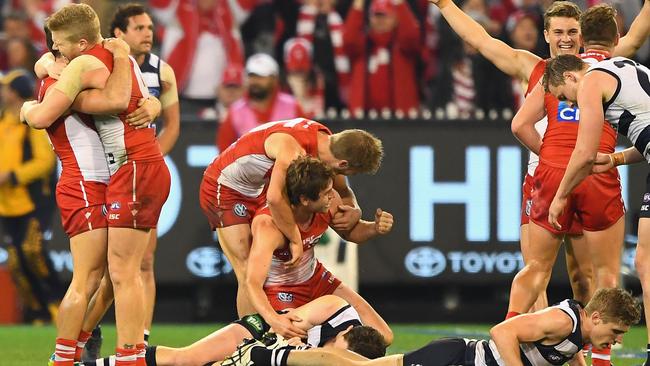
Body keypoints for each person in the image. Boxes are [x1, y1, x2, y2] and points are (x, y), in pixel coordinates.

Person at [429, 0, 650, 327]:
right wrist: (446, 5)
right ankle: (530, 345)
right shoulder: (533, 68)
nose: (565, 38)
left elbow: (635, 34)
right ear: (545, 34)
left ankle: (579, 348)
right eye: (558, 31)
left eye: (572, 31)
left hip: (585, 174)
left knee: (582, 274)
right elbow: (481, 41)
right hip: (549, 175)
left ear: (583, 35)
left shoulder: (601, 68)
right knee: (538, 267)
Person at [22, 4, 170, 366]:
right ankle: (70, 355)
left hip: (124, 171)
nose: (56, 54)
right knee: (99, 278)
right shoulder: (112, 59)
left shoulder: (84, 65)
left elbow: (114, 101)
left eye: (59, 47)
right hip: (87, 182)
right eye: (53, 48)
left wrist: (28, 109)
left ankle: (100, 352)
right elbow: (47, 106)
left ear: (80, 43)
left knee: (114, 274)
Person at [509, 5, 650, 363]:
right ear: (615, 39)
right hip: (597, 171)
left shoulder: (555, 72)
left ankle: (508, 332)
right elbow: (638, 34)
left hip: (553, 168)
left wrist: (551, 159)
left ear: (580, 38)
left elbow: (519, 125)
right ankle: (601, 359)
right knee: (606, 271)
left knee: (536, 267)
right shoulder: (621, 66)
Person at [74, 4, 182, 359]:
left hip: (133, 171)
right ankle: (94, 335)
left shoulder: (161, 71)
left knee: (135, 264)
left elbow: (172, 124)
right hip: (102, 172)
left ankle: (137, 339)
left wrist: (146, 159)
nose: (148, 33)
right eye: (138, 28)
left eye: (150, 27)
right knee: (106, 267)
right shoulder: (98, 62)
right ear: (118, 34)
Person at [200, 118, 382, 317]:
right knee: (246, 270)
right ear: (343, 163)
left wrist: (355, 208)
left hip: (258, 186)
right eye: (349, 172)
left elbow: (343, 190)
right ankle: (250, 341)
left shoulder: (327, 142)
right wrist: (295, 239)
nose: (341, 174)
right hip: (226, 187)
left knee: (262, 263)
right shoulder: (293, 151)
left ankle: (271, 329)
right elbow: (275, 198)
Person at [543, 52, 650, 366]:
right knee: (645, 259)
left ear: (571, 77)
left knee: (647, 261)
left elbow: (585, 152)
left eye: (564, 96)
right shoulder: (625, 67)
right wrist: (616, 159)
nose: (571, 105)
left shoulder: (590, 81)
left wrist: (560, 195)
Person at [235, 287, 641, 366]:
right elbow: (502, 332)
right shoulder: (561, 320)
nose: (617, 342)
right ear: (597, 317)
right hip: (456, 358)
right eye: (616, 332)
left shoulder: (577, 336)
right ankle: (271, 356)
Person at [245, 156, 393, 344]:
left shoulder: (327, 203)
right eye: (326, 193)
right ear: (305, 199)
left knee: (382, 337)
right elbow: (252, 283)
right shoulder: (268, 226)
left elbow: (351, 233)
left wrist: (374, 227)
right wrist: (274, 320)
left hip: (317, 280)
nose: (333, 196)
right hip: (282, 290)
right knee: (291, 343)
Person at [81, 295, 387, 366]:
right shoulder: (334, 308)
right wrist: (300, 348)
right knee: (186, 359)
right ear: (342, 335)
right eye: (334, 356)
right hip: (261, 331)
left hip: (274, 352)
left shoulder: (357, 353)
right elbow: (286, 324)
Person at [0, 68, 61, 324]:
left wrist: (12, 176)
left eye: (6, 87)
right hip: (7, 204)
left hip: (33, 201)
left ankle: (58, 305)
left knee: (33, 251)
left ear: (15, 92)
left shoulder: (32, 122)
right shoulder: (3, 121)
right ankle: (38, 312)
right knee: (15, 261)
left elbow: (45, 162)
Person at [216, 53, 304, 152]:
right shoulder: (235, 111)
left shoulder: (292, 107)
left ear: (274, 79)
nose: (255, 81)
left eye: (261, 77)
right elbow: (223, 151)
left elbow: (307, 143)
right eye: (252, 76)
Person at [343, 0, 420, 114]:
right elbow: (349, 39)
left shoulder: (402, 47)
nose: (381, 21)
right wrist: (358, 4)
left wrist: (399, 3)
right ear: (369, 19)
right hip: (364, 117)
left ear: (395, 18)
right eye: (377, 16)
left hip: (400, 117)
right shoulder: (363, 46)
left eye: (386, 16)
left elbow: (411, 35)